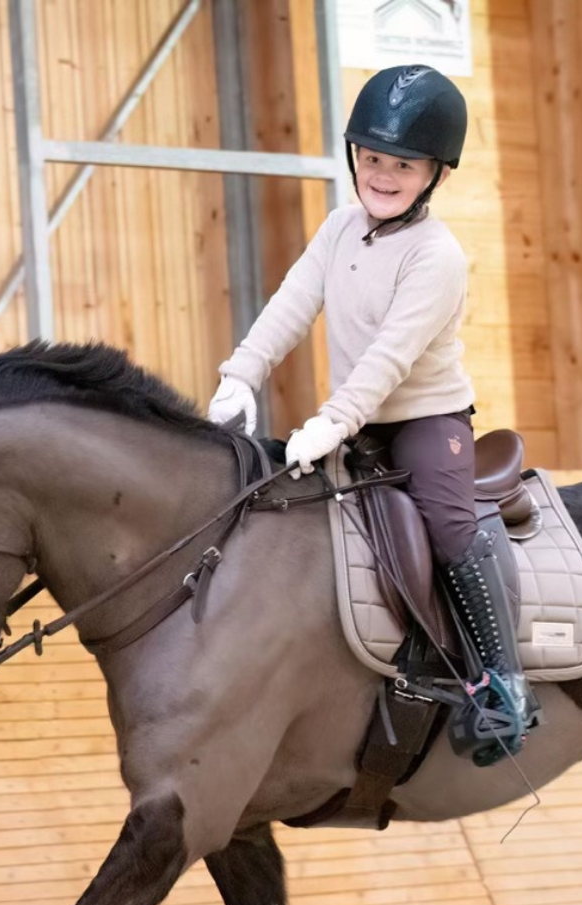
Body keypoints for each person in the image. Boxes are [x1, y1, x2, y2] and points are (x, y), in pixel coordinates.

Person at [206, 64, 539, 759]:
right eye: (373, 158)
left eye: (404, 165)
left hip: (424, 421)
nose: (383, 175)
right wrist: (241, 374)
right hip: (354, 420)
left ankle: (504, 684)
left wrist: (333, 419)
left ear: (436, 173)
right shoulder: (339, 228)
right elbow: (292, 304)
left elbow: (390, 357)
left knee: (449, 524)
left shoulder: (437, 257)